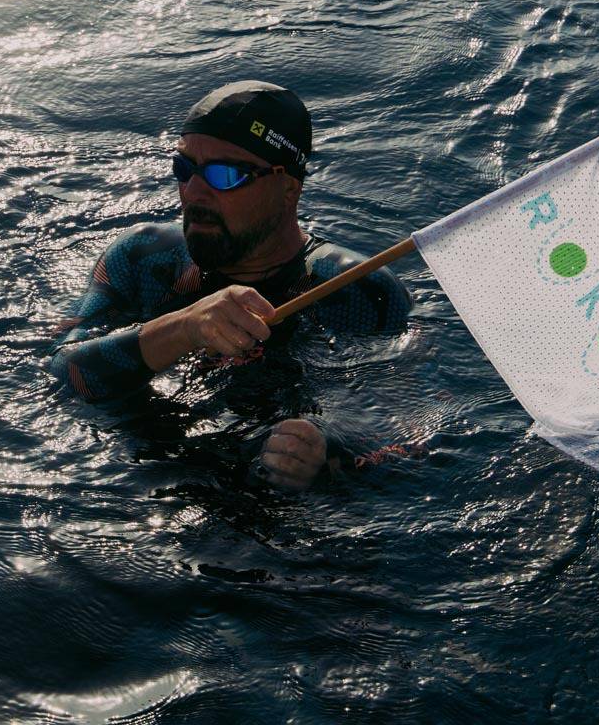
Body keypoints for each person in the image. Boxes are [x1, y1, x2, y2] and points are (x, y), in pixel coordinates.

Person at [50, 80, 412, 490]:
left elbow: (407, 438)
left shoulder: (356, 292)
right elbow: (64, 372)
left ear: (288, 189)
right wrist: (184, 327)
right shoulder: (143, 257)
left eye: (226, 175)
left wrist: (330, 455)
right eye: (184, 169)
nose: (194, 191)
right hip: (142, 487)